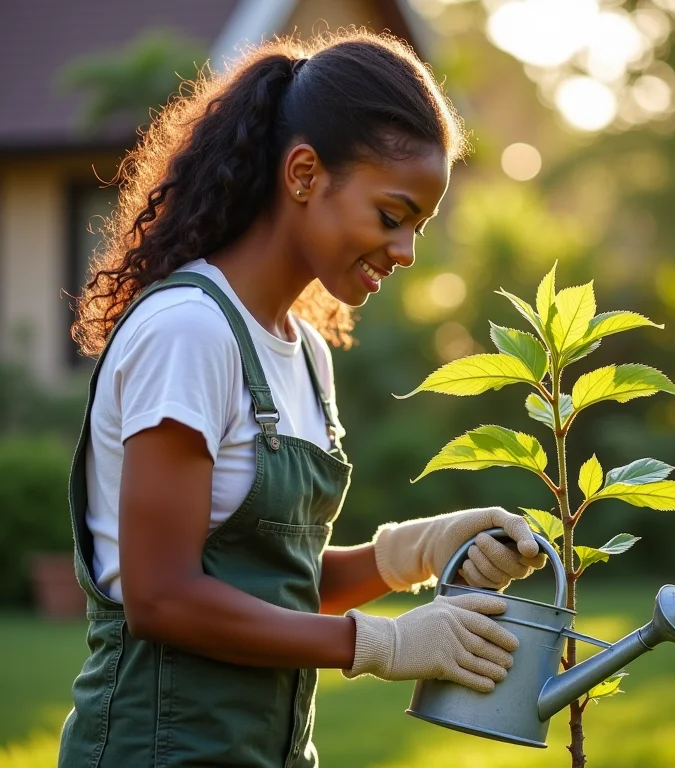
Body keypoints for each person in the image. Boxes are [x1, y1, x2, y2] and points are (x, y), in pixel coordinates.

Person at [59, 30, 545, 768]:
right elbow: (164, 599)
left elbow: (274, 588)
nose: (408, 251)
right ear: (305, 173)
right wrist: (379, 644)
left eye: (419, 225)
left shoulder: (307, 355)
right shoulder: (189, 332)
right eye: (392, 214)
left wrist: (416, 550)